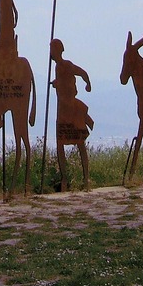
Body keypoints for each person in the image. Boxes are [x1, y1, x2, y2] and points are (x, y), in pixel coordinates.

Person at [51, 38, 94, 191]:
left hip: (70, 109)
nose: (50, 52)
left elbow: (82, 73)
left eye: (52, 49)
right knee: (60, 144)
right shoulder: (57, 67)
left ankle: (85, 179)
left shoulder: (66, 65)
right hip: (62, 110)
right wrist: (57, 83)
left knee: (80, 143)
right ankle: (64, 179)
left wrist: (88, 83)